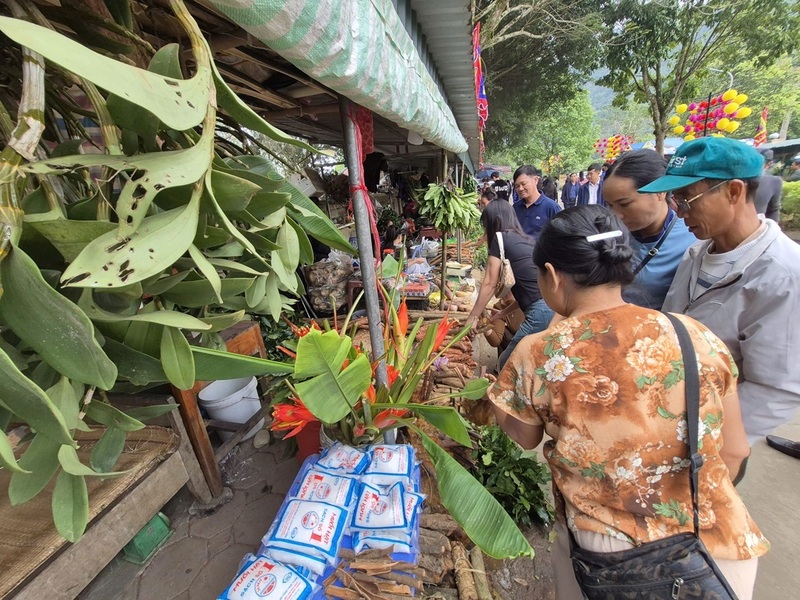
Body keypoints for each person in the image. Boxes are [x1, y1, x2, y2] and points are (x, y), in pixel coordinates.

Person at [488, 205, 768, 600]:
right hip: (716, 553)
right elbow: (735, 450)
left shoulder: (540, 353)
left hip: (610, 559)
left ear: (550, 275)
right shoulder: (695, 334)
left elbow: (523, 435)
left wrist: (496, 396)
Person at [641, 137, 800, 446]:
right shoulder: (697, 253)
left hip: (708, 441)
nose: (679, 211)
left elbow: (775, 390)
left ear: (734, 191)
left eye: (686, 198)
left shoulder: (783, 275)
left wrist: (705, 441)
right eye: (674, 199)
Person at [466, 200, 554, 369]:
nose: (486, 231)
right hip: (550, 309)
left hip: (539, 313)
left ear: (494, 221)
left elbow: (489, 283)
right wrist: (501, 314)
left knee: (506, 365)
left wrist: (473, 317)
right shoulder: (527, 240)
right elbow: (529, 294)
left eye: (486, 226)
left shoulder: (500, 238)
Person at [603, 150, 696, 309]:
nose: (616, 215)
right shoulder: (608, 234)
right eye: (610, 205)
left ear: (660, 191)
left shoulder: (693, 240)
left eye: (624, 204)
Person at [511, 165, 561, 238]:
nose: (520, 189)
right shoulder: (515, 208)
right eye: (517, 186)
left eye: (523, 184)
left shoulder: (551, 207)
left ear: (535, 180)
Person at [754, 149, 782, 221]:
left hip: (758, 228)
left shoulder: (774, 181)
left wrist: (774, 230)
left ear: (769, 164)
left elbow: (773, 211)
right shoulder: (736, 179)